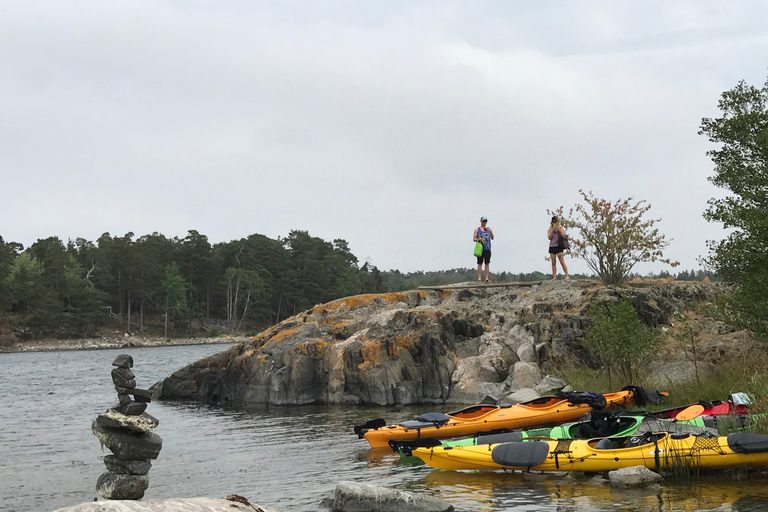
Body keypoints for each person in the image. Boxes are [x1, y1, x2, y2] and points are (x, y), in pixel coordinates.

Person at [473, 216, 494, 283]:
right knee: (479, 263)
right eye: (483, 221)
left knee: (487, 263)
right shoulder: (477, 229)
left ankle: (486, 278)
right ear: (481, 221)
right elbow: (474, 239)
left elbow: (492, 237)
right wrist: (479, 239)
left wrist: (490, 232)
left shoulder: (488, 229)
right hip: (480, 249)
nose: (484, 223)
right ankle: (479, 278)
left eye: (485, 221)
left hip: (487, 248)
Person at [547, 216, 569, 280]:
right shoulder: (549, 229)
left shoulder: (561, 228)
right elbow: (549, 237)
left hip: (559, 246)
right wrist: (552, 230)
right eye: (553, 222)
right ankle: (554, 276)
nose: (554, 223)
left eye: (555, 222)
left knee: (561, 261)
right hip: (552, 246)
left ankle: (567, 275)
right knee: (553, 262)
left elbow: (564, 236)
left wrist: (559, 230)